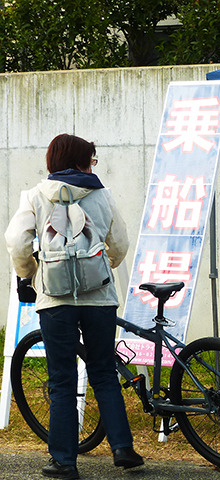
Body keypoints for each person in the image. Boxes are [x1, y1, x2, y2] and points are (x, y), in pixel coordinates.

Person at [5, 134, 143, 480]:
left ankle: (64, 461)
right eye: (91, 159)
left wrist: (29, 274)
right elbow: (121, 241)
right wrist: (102, 267)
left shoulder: (36, 195)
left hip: (55, 300)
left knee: (62, 380)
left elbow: (17, 242)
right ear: (82, 161)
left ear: (53, 160)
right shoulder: (101, 195)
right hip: (99, 299)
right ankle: (123, 448)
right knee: (104, 373)